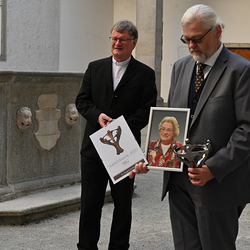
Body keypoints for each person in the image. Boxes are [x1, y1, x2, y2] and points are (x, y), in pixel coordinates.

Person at [130, 4, 250, 250]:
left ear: (217, 31)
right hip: (178, 180)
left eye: (197, 39)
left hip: (217, 182)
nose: (191, 45)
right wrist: (152, 157)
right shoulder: (181, 67)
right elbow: (171, 121)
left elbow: (247, 130)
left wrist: (213, 168)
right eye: (186, 39)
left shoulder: (241, 70)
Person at [75, 20, 157, 250]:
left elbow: (146, 109)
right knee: (90, 204)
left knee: (123, 205)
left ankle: (119, 247)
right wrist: (97, 116)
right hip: (93, 150)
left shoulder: (145, 74)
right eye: (114, 38)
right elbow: (82, 101)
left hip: (125, 149)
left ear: (134, 43)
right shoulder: (95, 67)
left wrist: (122, 128)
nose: (117, 43)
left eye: (122, 39)